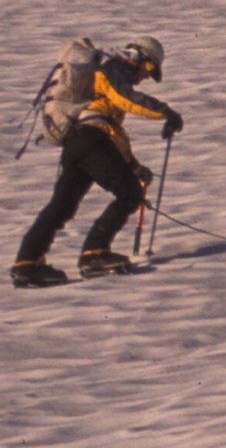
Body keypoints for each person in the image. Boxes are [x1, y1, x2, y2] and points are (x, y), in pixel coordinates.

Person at [12, 35, 184, 285]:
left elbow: (112, 132)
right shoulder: (114, 69)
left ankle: (27, 264)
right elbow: (123, 99)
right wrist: (165, 112)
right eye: (148, 69)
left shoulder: (104, 75)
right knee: (130, 194)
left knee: (62, 205)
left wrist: (133, 166)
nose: (145, 76)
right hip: (91, 139)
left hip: (78, 140)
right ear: (138, 58)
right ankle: (94, 254)